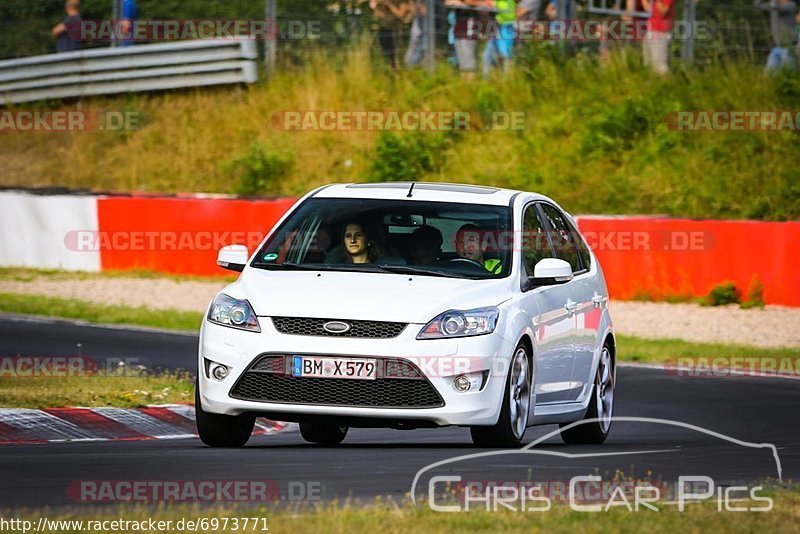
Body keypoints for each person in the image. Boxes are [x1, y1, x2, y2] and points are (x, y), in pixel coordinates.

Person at [448, 0, 495, 76]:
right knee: (467, 69)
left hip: (471, 34)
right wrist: (481, 3)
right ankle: (468, 86)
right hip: (463, 34)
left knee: (470, 67)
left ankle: (469, 86)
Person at [756, 0, 798, 73]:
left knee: (789, 75)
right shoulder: (773, 6)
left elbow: (777, 7)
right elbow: (758, 5)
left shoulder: (791, 5)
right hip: (776, 47)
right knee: (769, 75)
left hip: (788, 47)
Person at [371, 0, 414, 68]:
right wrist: (375, 7)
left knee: (395, 53)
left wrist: (389, 5)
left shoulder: (401, 2)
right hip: (384, 28)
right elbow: (379, 15)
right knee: (384, 52)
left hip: (395, 29)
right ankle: (387, 69)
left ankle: (397, 71)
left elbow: (400, 15)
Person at [483, 0, 517, 76]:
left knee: (502, 55)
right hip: (505, 27)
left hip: (502, 27)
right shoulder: (509, 2)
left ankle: (503, 79)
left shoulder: (501, 2)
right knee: (491, 56)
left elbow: (488, 4)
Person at [640, 0, 675, 74]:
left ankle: (668, 83)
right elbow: (649, 9)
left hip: (660, 32)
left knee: (659, 66)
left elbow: (662, 11)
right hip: (650, 29)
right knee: (648, 63)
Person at [405, 0, 428, 67]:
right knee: (413, 49)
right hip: (417, 30)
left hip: (424, 30)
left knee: (423, 50)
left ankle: (417, 67)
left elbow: (423, 12)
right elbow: (414, 12)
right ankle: (410, 67)